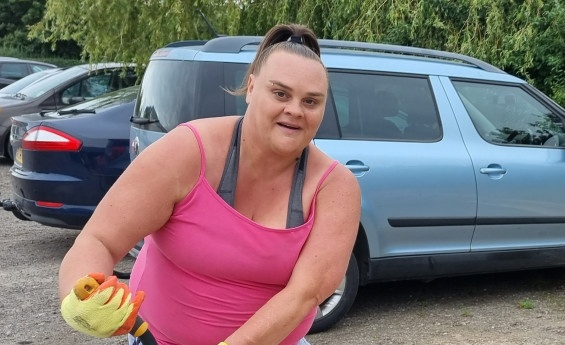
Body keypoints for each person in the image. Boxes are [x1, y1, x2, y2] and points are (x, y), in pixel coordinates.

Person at [57, 23, 361, 345]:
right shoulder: (188, 151)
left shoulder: (335, 187)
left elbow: (306, 293)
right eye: (280, 93)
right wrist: (82, 300)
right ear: (252, 88)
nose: (295, 110)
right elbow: (99, 240)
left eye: (311, 101)